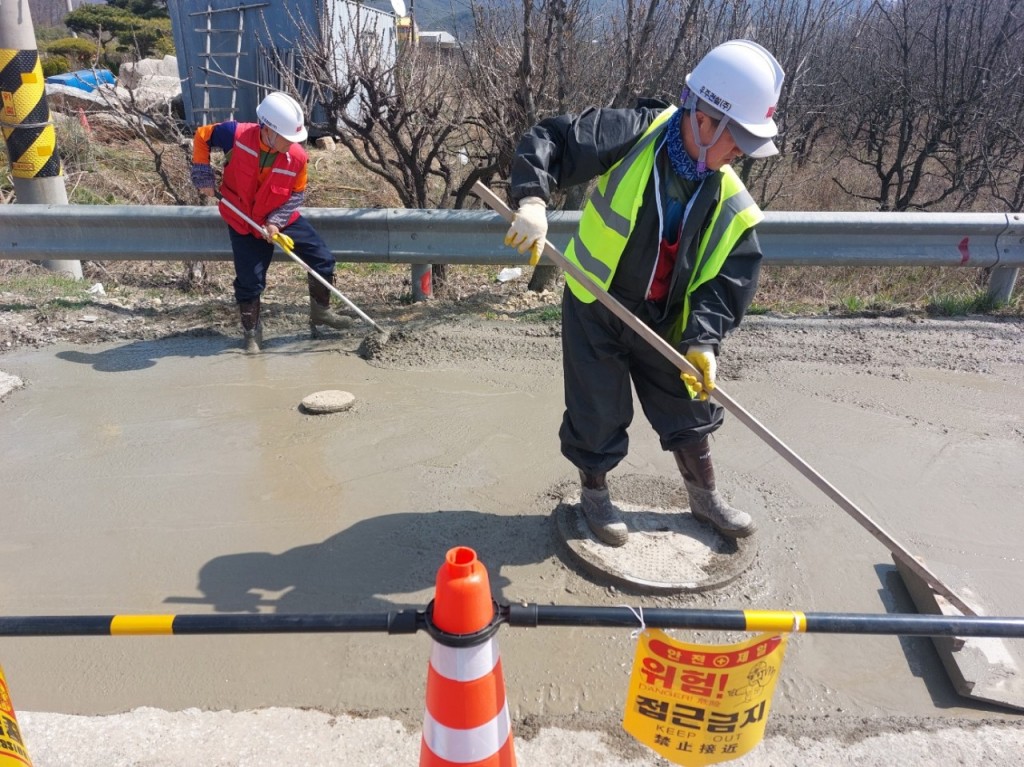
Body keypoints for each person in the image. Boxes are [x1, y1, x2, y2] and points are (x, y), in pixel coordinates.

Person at [503, 40, 784, 546]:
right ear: (704, 119)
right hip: (597, 305)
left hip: (665, 316)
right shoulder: (633, 135)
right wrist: (531, 199)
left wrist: (703, 341)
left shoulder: (727, 196)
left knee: (688, 405)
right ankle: (594, 495)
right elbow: (553, 140)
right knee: (597, 410)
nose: (740, 151)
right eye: (738, 137)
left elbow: (731, 276)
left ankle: (705, 498)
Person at [190, 91, 353, 353]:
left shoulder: (298, 157)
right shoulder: (235, 134)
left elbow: (297, 193)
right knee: (250, 281)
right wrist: (202, 174)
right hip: (242, 218)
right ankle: (252, 333)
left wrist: (276, 221)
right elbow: (202, 136)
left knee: (322, 260)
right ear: (268, 129)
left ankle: (321, 314)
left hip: (279, 213)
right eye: (288, 139)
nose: (293, 144)